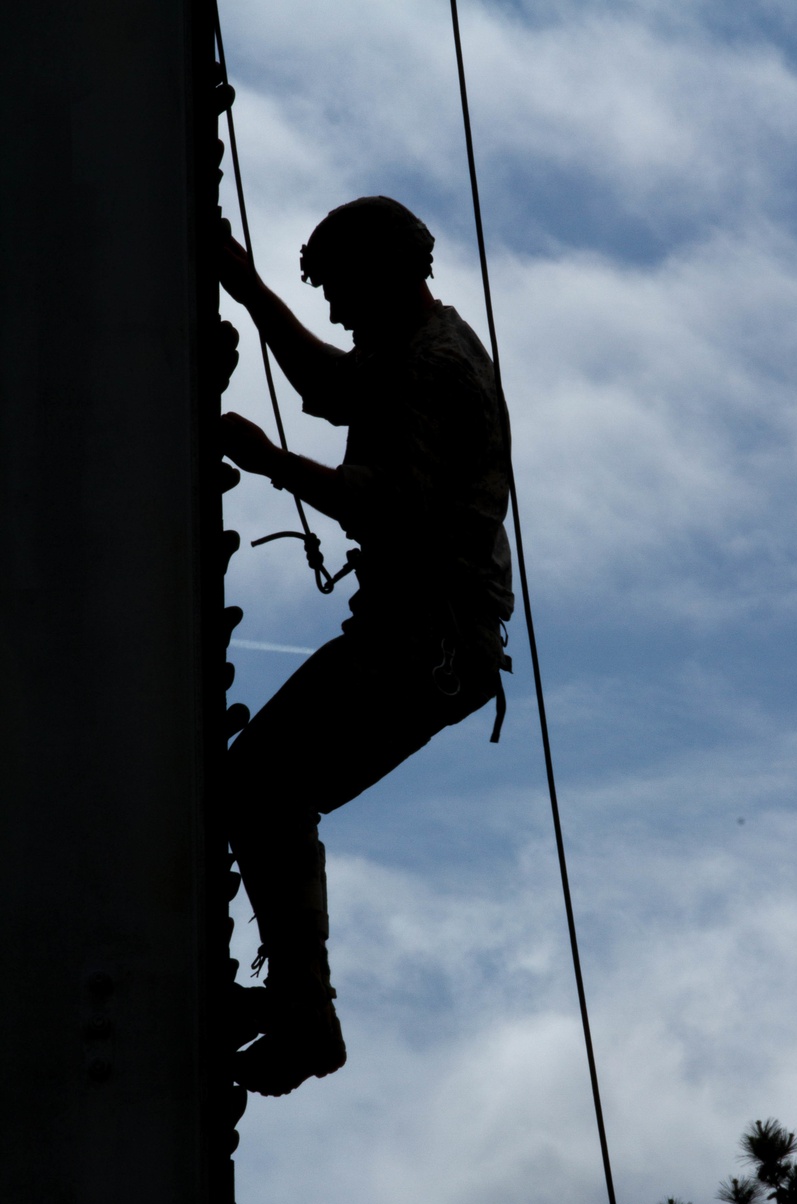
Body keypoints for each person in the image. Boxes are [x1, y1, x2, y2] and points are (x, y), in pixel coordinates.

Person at [220, 197, 513, 1097]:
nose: (339, 311)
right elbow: (334, 389)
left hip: (427, 641)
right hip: (427, 641)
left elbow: (388, 503)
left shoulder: (435, 366)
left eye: (341, 289)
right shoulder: (412, 347)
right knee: (266, 784)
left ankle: (306, 1010)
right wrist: (248, 288)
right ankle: (300, 1003)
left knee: (263, 784)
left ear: (386, 272)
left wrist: (274, 465)